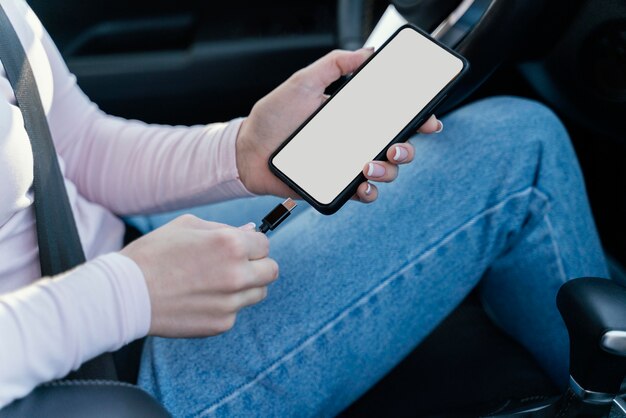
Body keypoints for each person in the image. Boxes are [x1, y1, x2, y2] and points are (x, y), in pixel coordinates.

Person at [0, 0, 608, 415]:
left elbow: (73, 146)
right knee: (518, 147)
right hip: (94, 375)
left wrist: (239, 151)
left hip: (114, 256)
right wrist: (126, 294)